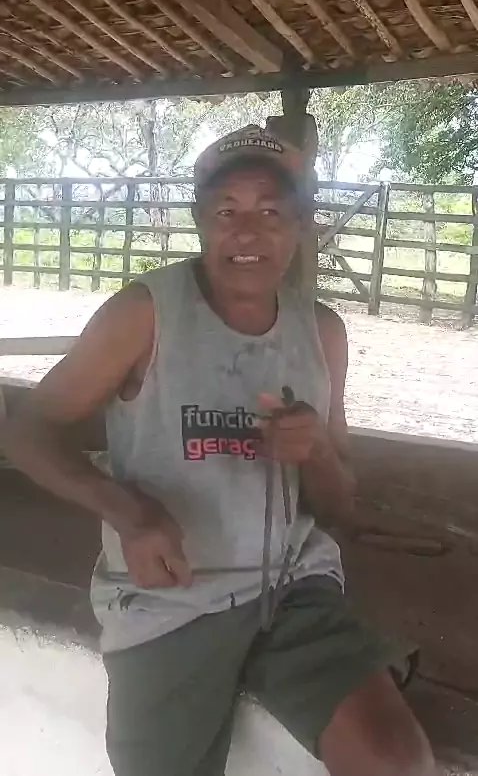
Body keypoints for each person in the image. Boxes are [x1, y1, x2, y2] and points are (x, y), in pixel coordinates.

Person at [3, 126, 437, 776]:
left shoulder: (322, 332)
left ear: (301, 225)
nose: (246, 231)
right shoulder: (145, 314)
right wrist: (128, 512)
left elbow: (340, 506)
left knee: (397, 761)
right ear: (200, 220)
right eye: (226, 210)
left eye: (270, 211)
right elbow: (27, 430)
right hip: (170, 598)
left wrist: (315, 451)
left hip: (292, 587)